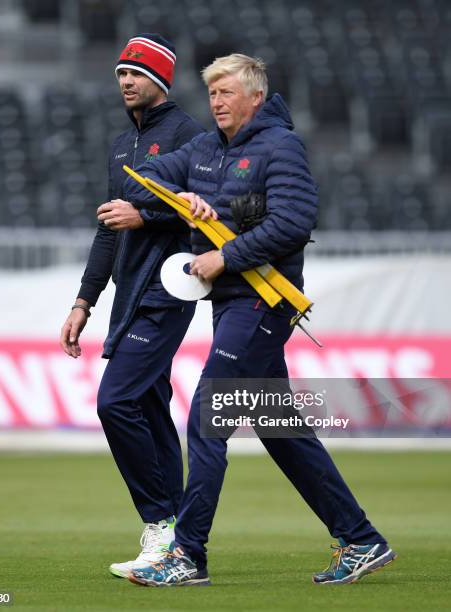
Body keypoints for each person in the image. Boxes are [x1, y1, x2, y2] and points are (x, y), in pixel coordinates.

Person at [123, 53, 396, 586]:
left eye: (226, 93)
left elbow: (294, 222)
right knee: (282, 430)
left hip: (263, 303)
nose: (216, 102)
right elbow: (141, 178)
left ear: (254, 96)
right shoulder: (203, 149)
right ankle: (361, 538)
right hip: (230, 304)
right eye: (212, 94)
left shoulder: (280, 146)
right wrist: (178, 196)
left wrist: (223, 256)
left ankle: (187, 556)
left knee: (207, 417)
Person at [59, 33, 204, 579]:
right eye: (120, 72)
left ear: (160, 80)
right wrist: (83, 302)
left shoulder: (190, 135)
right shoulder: (122, 145)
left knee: (114, 401)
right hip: (126, 296)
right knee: (146, 408)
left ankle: (159, 524)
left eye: (136, 73)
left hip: (168, 292)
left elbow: (205, 214)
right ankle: (180, 538)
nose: (124, 81)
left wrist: (146, 218)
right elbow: (106, 233)